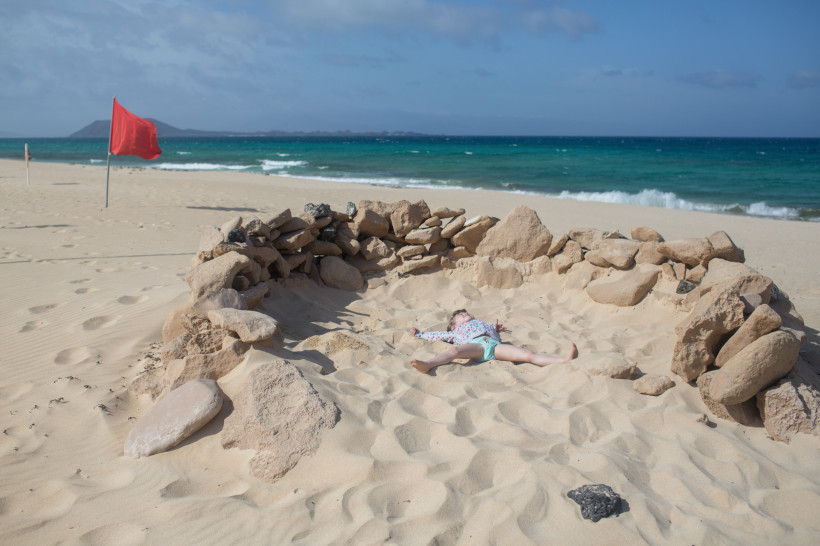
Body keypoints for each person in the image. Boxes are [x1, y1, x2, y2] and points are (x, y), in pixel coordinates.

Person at [410, 309, 578, 374]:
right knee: (454, 352)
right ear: (453, 326)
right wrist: (420, 334)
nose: (464, 314)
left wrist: (496, 330)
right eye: (459, 316)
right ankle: (428, 364)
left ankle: (563, 360)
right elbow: (437, 335)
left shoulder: (484, 323)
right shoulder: (456, 332)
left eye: (466, 312)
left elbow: (492, 330)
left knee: (527, 354)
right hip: (476, 346)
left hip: (494, 346)